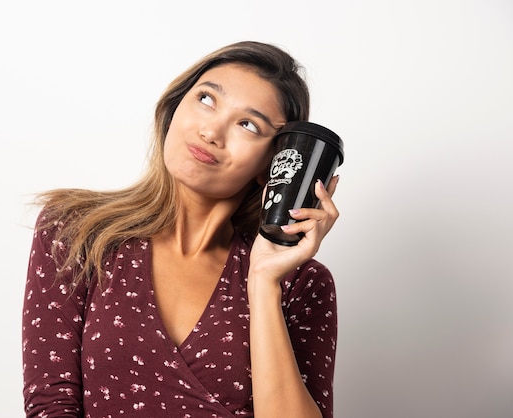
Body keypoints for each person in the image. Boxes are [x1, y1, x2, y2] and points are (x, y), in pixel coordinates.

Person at [22, 40, 340, 418]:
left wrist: (263, 282)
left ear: (274, 164)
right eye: (207, 99)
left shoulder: (302, 285)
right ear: (175, 108)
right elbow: (50, 406)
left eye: (247, 124)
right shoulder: (76, 232)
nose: (211, 132)